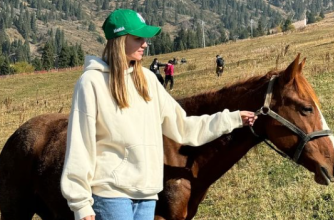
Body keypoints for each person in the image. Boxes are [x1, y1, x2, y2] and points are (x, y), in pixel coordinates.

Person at [60, 9, 257, 220]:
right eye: (138, 38)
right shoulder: (91, 82)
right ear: (119, 40)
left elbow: (184, 127)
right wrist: (81, 203)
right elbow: (81, 143)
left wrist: (233, 119)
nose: (145, 44)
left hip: (147, 196)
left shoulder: (148, 80)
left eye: (145, 39)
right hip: (111, 197)